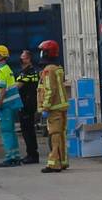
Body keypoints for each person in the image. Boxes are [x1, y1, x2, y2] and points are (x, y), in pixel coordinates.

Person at [36, 39, 69, 173]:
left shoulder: (48, 70)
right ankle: (62, 161)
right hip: (60, 107)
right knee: (60, 135)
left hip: (53, 109)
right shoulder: (57, 68)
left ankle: (54, 164)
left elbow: (50, 90)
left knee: (54, 136)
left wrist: (45, 107)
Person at [0, 45, 23, 167]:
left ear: (1, 57)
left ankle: (11, 158)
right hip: (7, 106)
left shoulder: (3, 71)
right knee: (10, 132)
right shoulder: (3, 70)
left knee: (6, 132)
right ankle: (15, 156)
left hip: (5, 107)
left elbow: (2, 90)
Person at [16, 49, 41, 165]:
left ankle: (32, 155)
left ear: (28, 59)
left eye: (23, 57)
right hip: (29, 103)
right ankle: (31, 154)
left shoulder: (28, 72)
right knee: (29, 130)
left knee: (27, 131)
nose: (21, 58)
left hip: (27, 104)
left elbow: (18, 86)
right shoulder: (30, 71)